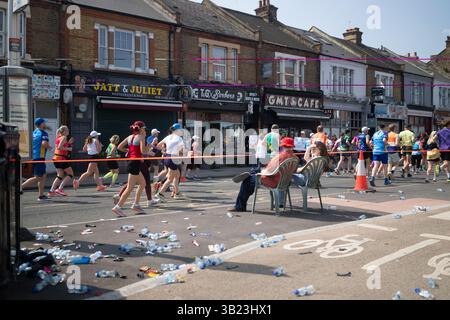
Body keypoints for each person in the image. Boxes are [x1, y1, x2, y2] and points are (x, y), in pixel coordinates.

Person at [228, 137, 298, 213]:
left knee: (247, 181)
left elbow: (269, 171)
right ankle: (252, 175)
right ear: (292, 146)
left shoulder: (279, 157)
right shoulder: (296, 158)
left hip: (273, 181)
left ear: (283, 146)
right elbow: (294, 171)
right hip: (285, 183)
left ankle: (240, 206)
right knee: (252, 178)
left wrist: (261, 172)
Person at [112, 121, 148, 217]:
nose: (145, 130)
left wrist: (128, 150)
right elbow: (143, 151)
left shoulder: (129, 137)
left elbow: (119, 147)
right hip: (135, 163)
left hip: (132, 162)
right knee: (129, 188)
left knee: (143, 183)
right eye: (144, 128)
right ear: (141, 129)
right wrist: (149, 147)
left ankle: (136, 204)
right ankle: (118, 207)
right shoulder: (141, 137)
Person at [22, 118, 52, 201]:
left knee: (43, 176)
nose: (45, 124)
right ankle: (20, 188)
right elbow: (44, 143)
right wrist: (49, 147)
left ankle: (41, 195)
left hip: (34, 156)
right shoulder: (43, 133)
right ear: (41, 124)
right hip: (40, 157)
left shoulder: (34, 132)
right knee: (39, 177)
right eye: (44, 123)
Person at [156, 124, 185, 201]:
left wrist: (164, 151)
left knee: (177, 175)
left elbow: (158, 145)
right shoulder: (179, 139)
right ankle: (160, 193)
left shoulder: (168, 137)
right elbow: (182, 150)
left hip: (167, 157)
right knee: (170, 178)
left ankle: (177, 192)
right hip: (173, 158)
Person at [49, 126, 74, 197]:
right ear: (63, 131)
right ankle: (60, 189)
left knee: (59, 175)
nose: (68, 130)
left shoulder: (59, 137)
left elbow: (61, 147)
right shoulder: (64, 137)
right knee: (70, 174)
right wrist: (69, 149)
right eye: (67, 129)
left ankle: (51, 191)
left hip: (56, 158)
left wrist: (68, 143)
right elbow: (60, 147)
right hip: (61, 158)